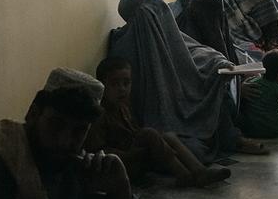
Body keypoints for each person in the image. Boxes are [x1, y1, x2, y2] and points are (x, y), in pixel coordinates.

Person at [0, 67, 144, 199]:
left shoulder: (69, 167)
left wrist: (121, 188)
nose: (64, 140)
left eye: (79, 131)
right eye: (56, 125)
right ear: (33, 114)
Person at [109, 0, 268, 160]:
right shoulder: (125, 49)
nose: (162, 15)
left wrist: (219, 63)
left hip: (186, 96)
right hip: (166, 113)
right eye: (155, 12)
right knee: (191, 148)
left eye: (162, 9)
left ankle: (234, 137)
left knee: (217, 85)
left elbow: (193, 49)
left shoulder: (165, 28)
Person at [85, 56, 232, 187]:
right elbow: (99, 152)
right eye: (115, 84)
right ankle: (184, 177)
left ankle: (200, 171)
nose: (122, 89)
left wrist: (159, 145)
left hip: (138, 157)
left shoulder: (123, 106)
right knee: (149, 133)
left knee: (168, 136)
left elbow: (133, 133)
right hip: (122, 163)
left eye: (126, 83)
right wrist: (140, 150)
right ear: (102, 85)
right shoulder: (99, 114)